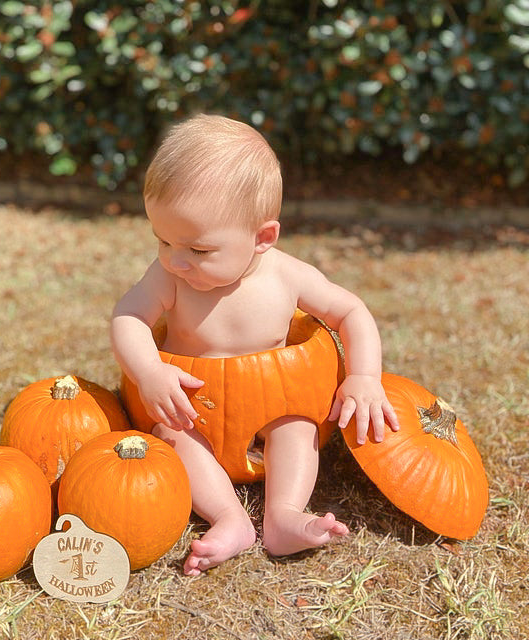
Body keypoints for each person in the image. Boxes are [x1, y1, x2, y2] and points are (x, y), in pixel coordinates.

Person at [110, 113, 399, 576]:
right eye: (161, 239)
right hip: (191, 408)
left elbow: (351, 313)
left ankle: (283, 515)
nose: (175, 259)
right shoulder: (170, 275)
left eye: (198, 250)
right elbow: (129, 316)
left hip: (274, 401)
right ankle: (229, 517)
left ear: (262, 238)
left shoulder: (287, 276)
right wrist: (149, 372)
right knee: (172, 436)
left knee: (297, 425)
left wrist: (364, 377)